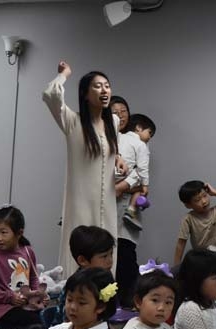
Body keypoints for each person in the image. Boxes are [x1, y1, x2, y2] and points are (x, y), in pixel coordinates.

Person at [42, 61, 127, 269]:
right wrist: (64, 74)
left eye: (107, 86)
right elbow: (50, 94)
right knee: (81, 248)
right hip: (81, 202)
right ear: (85, 94)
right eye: (97, 86)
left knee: (107, 250)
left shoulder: (113, 122)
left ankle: (105, 288)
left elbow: (110, 149)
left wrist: (119, 158)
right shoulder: (72, 121)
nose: (104, 90)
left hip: (107, 202)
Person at [0, 206, 44, 329]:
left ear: (19, 233)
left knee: (45, 319)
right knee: (35, 325)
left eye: (3, 232)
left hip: (27, 305)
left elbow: (33, 278)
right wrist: (9, 297)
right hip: (4, 310)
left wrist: (37, 295)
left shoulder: (27, 251)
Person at [114, 114, 155, 306]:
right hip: (118, 199)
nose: (149, 138)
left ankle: (123, 299)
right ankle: (129, 300)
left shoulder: (119, 139)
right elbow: (143, 169)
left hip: (115, 189)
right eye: (149, 133)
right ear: (139, 128)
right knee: (125, 258)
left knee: (123, 256)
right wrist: (145, 185)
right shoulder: (140, 145)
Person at [172, 180, 216, 267]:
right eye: (197, 200)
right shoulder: (188, 219)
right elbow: (181, 244)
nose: (204, 201)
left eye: (205, 195)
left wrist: (215, 192)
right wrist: (176, 268)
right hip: (201, 263)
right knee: (190, 265)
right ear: (188, 205)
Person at [54, 225, 115, 314]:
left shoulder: (105, 279)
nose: (110, 261)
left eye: (111, 254)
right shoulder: (75, 285)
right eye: (104, 256)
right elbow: (69, 316)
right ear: (83, 260)